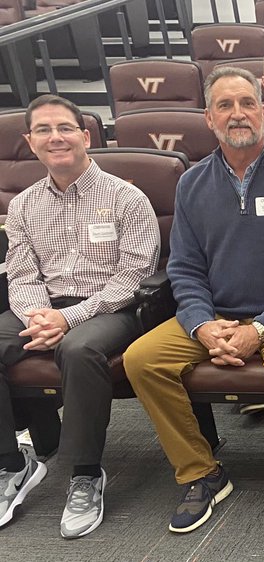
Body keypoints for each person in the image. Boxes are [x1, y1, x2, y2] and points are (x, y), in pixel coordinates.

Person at [123, 66, 264, 537]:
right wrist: (201, 325)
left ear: (263, 111)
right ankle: (202, 472)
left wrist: (259, 329)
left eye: (246, 104)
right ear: (209, 119)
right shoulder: (192, 184)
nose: (237, 114)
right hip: (211, 315)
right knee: (141, 359)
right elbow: (185, 268)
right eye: (225, 105)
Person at [0, 95, 158, 539]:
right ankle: (11, 464)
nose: (56, 138)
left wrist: (68, 319)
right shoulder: (23, 205)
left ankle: (86, 473)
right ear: (30, 142)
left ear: (85, 136)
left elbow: (135, 275)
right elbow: (23, 274)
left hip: (110, 307)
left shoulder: (126, 197)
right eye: (44, 131)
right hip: (43, 306)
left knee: (80, 347)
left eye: (65, 128)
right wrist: (38, 316)